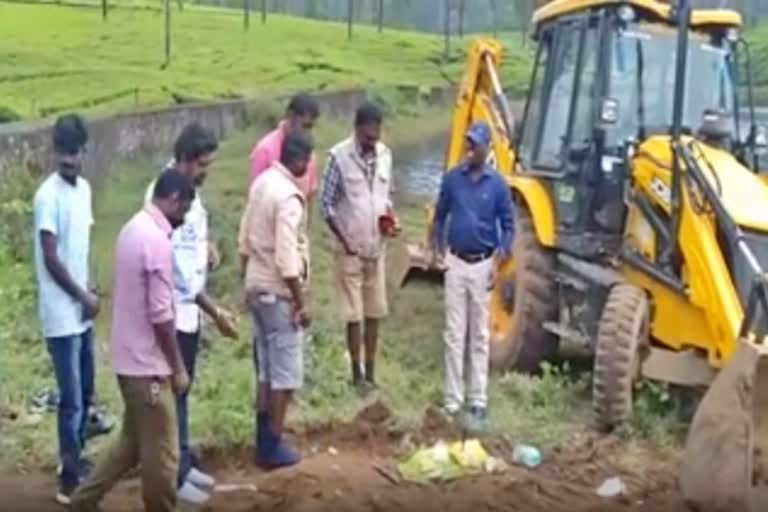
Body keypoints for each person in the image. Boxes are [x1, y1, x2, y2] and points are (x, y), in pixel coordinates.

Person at [70, 169, 196, 512]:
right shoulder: (156, 240)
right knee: (163, 456)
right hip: (148, 368)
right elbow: (161, 316)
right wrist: (177, 368)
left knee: (130, 444)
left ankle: (82, 501)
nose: (182, 220)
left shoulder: (132, 229)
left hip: (128, 360)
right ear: (172, 200)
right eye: (183, 210)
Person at [144, 122, 238, 505]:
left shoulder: (190, 194)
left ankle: (181, 464)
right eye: (202, 165)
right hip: (172, 312)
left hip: (188, 314)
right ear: (183, 160)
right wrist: (215, 311)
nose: (206, 172)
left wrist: (208, 251)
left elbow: (189, 250)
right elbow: (172, 270)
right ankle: (172, 476)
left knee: (182, 392)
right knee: (170, 397)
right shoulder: (163, 195)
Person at [32, 113, 99, 505]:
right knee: (71, 397)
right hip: (60, 312)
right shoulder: (47, 196)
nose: (69, 160)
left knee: (86, 391)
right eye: (63, 153)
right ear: (54, 151)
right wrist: (80, 295)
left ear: (83, 151)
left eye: (74, 153)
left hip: (80, 308)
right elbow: (52, 256)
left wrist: (91, 286)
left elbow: (81, 247)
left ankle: (75, 459)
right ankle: (68, 478)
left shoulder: (84, 190)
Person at [431, 121, 513, 432]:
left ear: (487, 149)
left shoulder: (498, 185)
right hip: (456, 262)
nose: (470, 148)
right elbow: (440, 216)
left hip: (482, 264)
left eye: (476, 144)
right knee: (454, 333)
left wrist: (502, 254)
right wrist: (437, 247)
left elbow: (508, 223)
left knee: (478, 335)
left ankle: (477, 400)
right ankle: (452, 400)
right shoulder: (453, 180)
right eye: (468, 142)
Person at [239, 131, 314, 469]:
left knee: (266, 373)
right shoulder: (288, 197)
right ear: (300, 161)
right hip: (278, 292)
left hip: (256, 287)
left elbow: (244, 239)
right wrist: (301, 302)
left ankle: (263, 443)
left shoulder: (262, 183)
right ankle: (272, 446)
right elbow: (287, 258)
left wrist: (246, 280)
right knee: (285, 375)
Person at [320, 102, 400, 390]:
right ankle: (356, 375)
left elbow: (386, 198)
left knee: (375, 312)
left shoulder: (386, 155)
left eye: (376, 137)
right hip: (349, 251)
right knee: (353, 315)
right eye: (367, 137)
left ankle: (371, 374)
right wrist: (344, 241)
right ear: (357, 130)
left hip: (376, 250)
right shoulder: (338, 157)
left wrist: (391, 222)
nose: (372, 142)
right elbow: (326, 206)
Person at [249, 93, 320, 201]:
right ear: (291, 116)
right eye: (305, 126)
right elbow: (256, 198)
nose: (308, 132)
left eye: (311, 127)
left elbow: (309, 196)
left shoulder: (309, 151)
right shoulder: (264, 150)